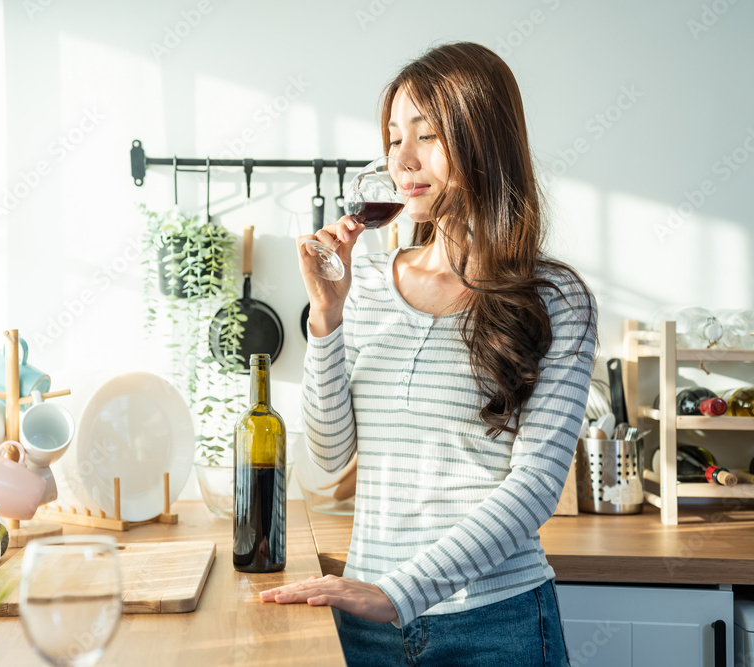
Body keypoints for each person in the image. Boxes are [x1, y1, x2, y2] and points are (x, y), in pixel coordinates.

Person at [259, 42, 596, 666]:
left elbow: (535, 487)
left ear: (484, 142)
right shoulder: (367, 285)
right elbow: (327, 457)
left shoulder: (554, 298)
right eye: (393, 138)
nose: (403, 160)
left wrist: (400, 592)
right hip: (367, 623)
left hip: (495, 626)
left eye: (428, 135)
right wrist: (327, 320)